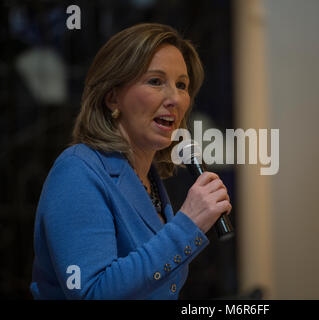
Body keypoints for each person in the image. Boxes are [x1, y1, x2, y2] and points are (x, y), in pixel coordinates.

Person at [30, 23, 232, 299]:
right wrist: (188, 225)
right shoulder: (77, 171)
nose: (175, 98)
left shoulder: (150, 178)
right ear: (113, 97)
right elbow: (91, 293)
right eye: (155, 81)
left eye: (181, 85)